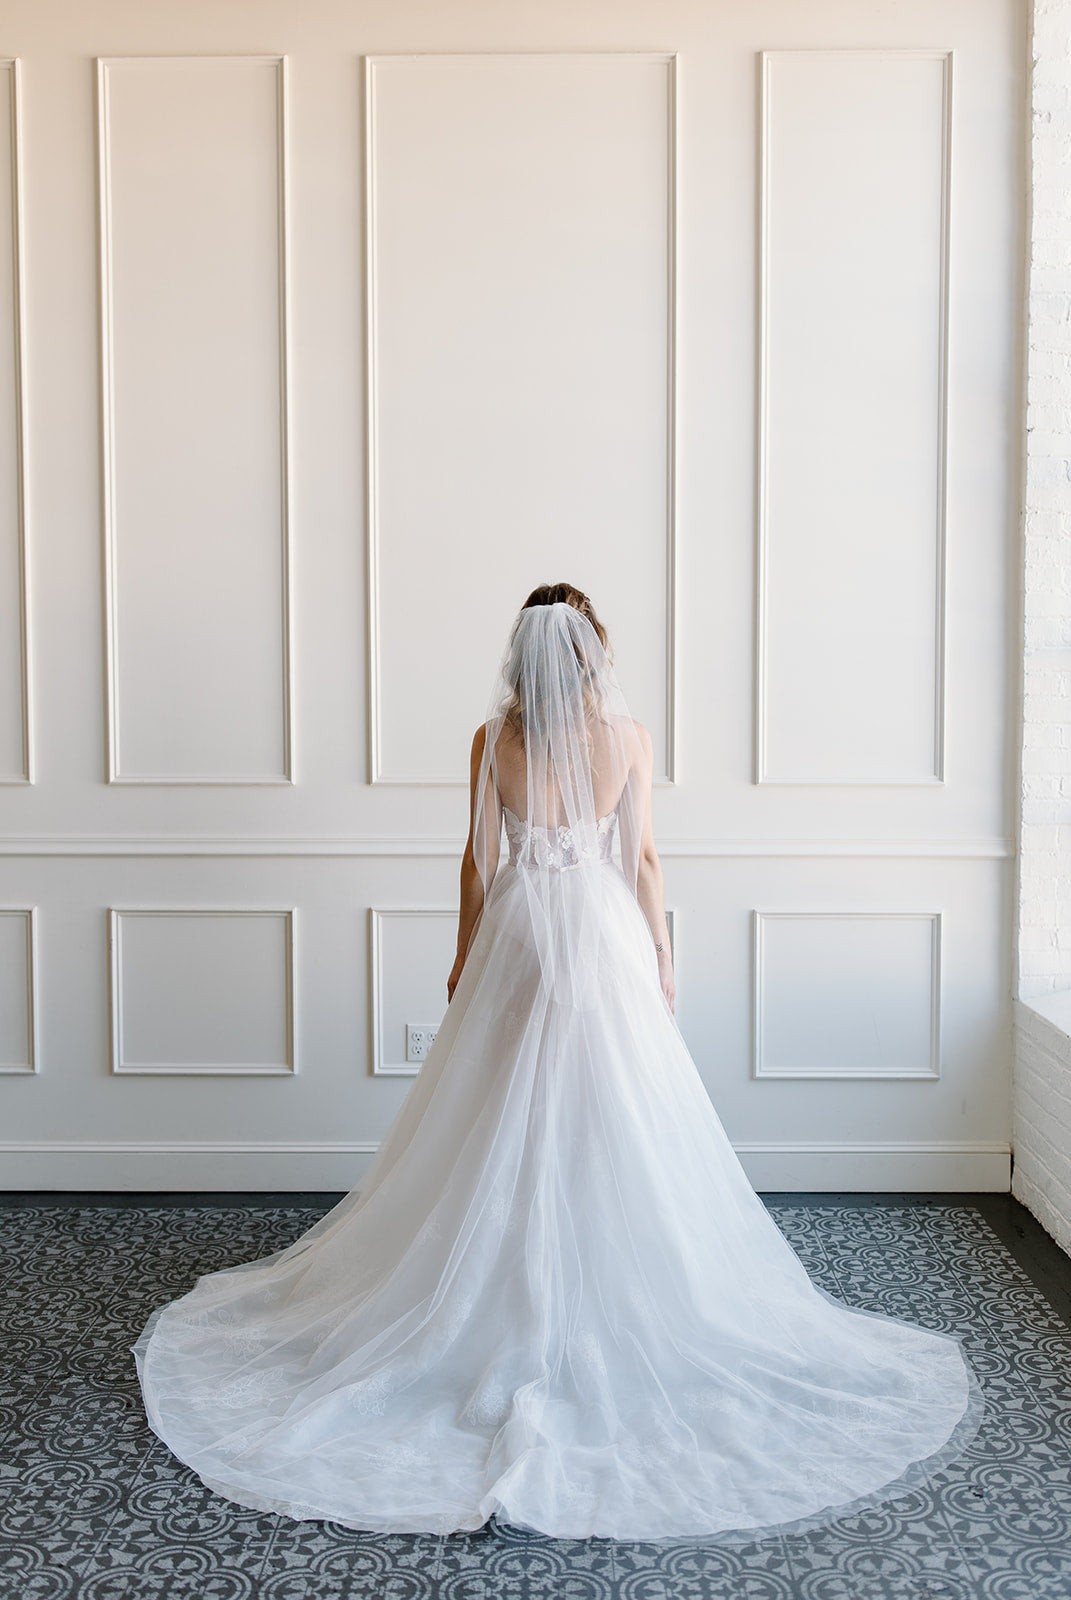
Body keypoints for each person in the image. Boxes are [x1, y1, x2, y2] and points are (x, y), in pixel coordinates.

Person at [131, 583, 983, 1544]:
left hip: (521, 934)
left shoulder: (492, 740)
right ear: (591, 653)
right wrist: (658, 954)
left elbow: (474, 863)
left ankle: (489, 1287)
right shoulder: (628, 738)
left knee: (496, 1112)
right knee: (609, 1108)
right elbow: (643, 857)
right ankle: (593, 1282)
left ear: (521, 659)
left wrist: (463, 955)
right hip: (600, 932)